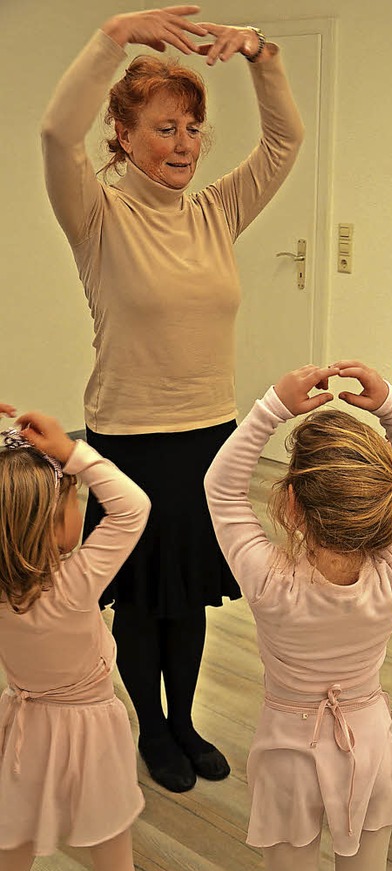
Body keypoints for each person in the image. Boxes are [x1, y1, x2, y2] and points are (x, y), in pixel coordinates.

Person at [41, 5, 304, 793]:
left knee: (187, 598)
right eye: (164, 129)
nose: (184, 144)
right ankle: (151, 731)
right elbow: (57, 134)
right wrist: (112, 39)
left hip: (210, 438)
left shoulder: (217, 212)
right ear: (123, 136)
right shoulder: (97, 215)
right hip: (128, 439)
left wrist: (259, 51)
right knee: (140, 603)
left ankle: (183, 721)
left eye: (192, 128)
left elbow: (285, 140)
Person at [204, 362, 392, 871]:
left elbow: (220, 490)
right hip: (371, 743)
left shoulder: (270, 582)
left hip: (288, 750)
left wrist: (273, 406)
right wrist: (389, 406)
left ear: (290, 503)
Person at [0, 411, 151, 871]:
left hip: (22, 730)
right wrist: (73, 453)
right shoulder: (74, 584)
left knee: (11, 850)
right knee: (113, 858)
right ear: (50, 523)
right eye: (74, 503)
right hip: (91, 733)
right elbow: (132, 506)